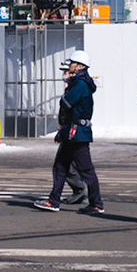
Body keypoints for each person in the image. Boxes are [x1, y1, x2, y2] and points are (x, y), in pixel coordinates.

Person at [35, 52, 106, 213]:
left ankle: (96, 204)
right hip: (73, 132)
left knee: (86, 170)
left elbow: (66, 103)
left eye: (73, 63)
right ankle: (53, 201)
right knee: (60, 167)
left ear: (80, 66)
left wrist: (68, 90)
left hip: (77, 133)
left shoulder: (80, 84)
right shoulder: (80, 82)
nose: (70, 66)